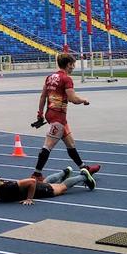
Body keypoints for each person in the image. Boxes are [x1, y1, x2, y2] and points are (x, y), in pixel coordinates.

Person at [31, 53, 100, 182]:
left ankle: (83, 167)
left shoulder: (50, 77)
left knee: (70, 143)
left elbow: (43, 96)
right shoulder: (66, 79)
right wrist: (84, 100)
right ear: (68, 64)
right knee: (48, 145)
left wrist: (40, 114)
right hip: (58, 116)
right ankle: (36, 174)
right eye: (73, 64)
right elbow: (73, 99)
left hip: (50, 113)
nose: (73, 67)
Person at [0, 167, 95, 205]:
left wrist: (29, 198)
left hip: (41, 191)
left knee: (62, 187)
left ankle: (83, 176)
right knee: (46, 181)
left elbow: (32, 182)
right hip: (38, 187)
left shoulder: (8, 188)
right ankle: (64, 172)